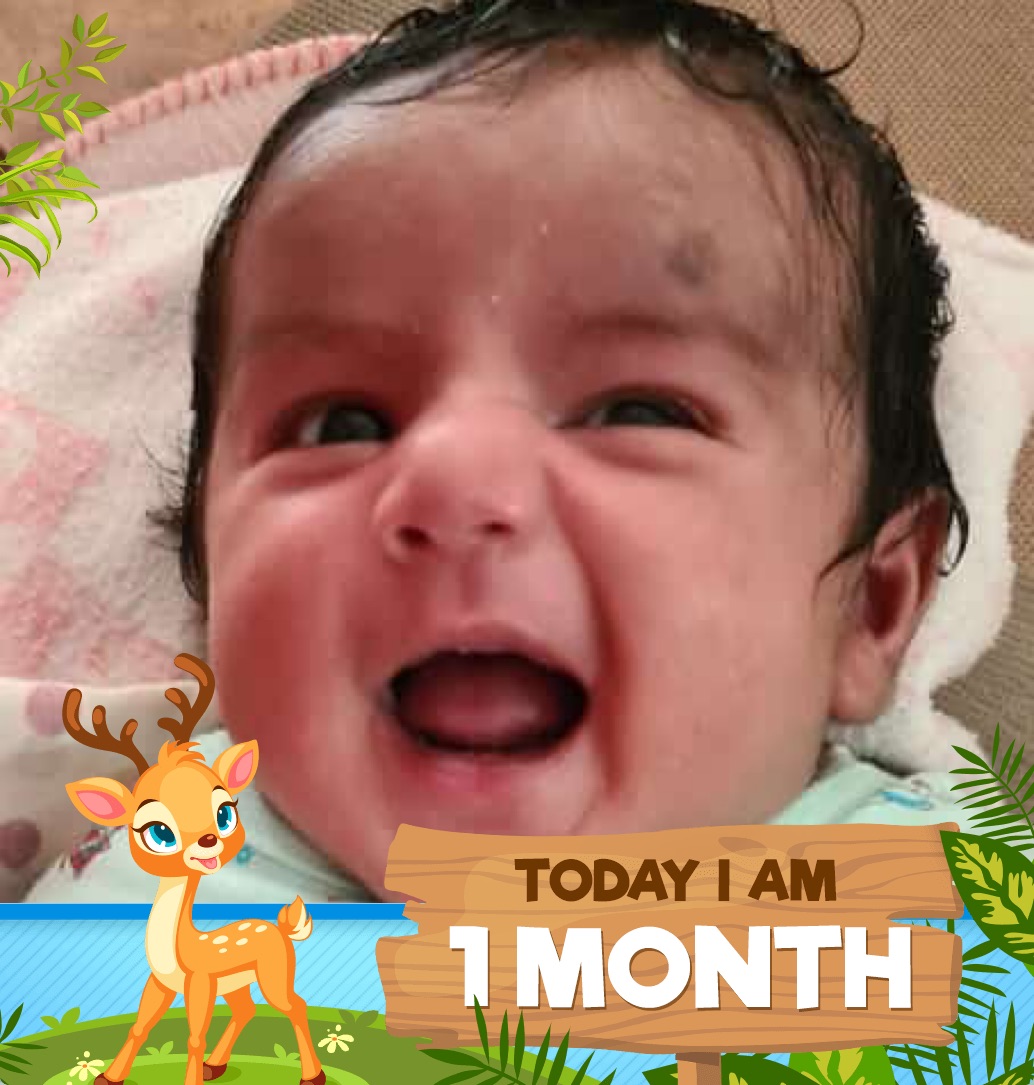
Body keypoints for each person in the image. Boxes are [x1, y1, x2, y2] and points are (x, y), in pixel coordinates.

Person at [33, 0, 973, 904]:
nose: (453, 478)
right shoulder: (152, 879)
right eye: (343, 425)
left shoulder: (934, 900)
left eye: (638, 410)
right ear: (214, 573)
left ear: (872, 605)